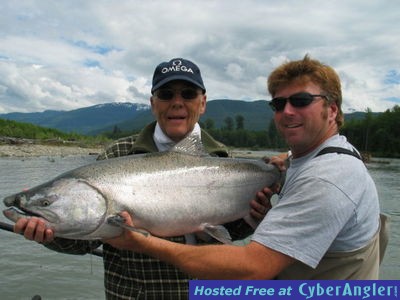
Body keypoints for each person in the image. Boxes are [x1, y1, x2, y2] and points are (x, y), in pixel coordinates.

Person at [104, 55, 387, 280]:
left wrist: (141, 242)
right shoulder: (299, 163)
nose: (287, 111)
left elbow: (254, 266)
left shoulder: (328, 178)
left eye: (301, 101)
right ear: (153, 103)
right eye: (278, 103)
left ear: (333, 109)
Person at [13, 58, 268, 299]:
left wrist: (254, 217)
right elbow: (84, 242)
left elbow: (232, 232)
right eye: (166, 95)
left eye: (188, 94)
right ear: (153, 103)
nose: (177, 102)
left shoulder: (226, 160)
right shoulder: (116, 155)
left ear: (202, 103)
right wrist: (52, 234)